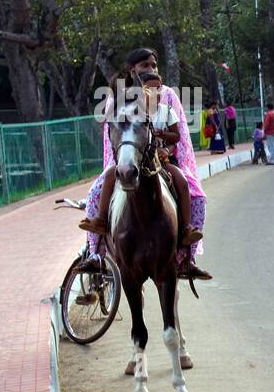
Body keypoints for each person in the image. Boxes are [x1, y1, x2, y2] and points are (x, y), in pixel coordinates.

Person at [79, 47, 211, 281]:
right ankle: (95, 254)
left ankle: (186, 257)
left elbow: (178, 133)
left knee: (197, 195)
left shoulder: (168, 96)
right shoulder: (119, 96)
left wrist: (165, 152)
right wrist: (122, 159)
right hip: (127, 159)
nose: (150, 69)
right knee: (94, 193)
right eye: (144, 66)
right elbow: (113, 133)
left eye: (154, 65)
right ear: (133, 70)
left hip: (162, 160)